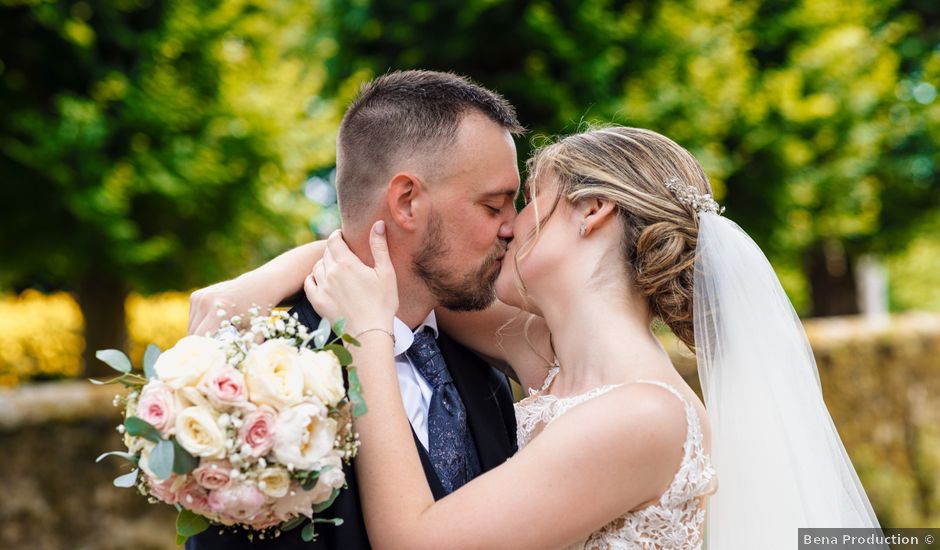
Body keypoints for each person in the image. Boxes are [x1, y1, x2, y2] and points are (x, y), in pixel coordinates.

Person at [242, 126, 881, 548]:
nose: (506, 228)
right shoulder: (544, 349)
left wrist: (367, 337)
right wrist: (255, 284)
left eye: (525, 200)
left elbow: (417, 541)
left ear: (592, 209)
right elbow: (401, 266)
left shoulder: (642, 416)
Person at [186, 69, 526, 549]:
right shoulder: (256, 388)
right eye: (494, 207)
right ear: (406, 201)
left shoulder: (482, 356)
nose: (513, 227)